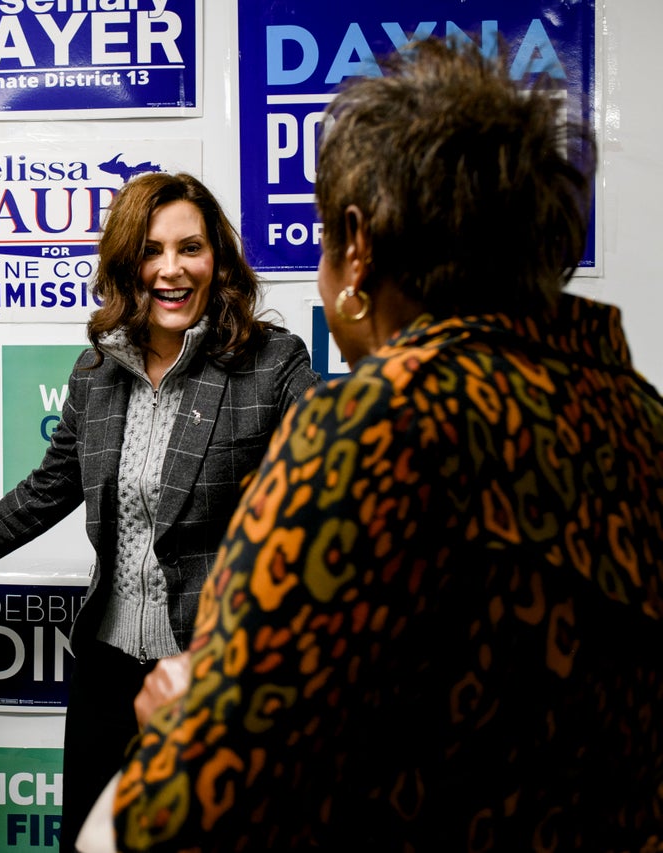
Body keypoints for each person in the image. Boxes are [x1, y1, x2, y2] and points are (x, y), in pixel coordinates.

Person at [104, 38, 663, 850]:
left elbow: (187, 808)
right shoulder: (637, 414)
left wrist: (179, 719)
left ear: (358, 244)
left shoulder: (377, 423)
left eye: (327, 234)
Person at [0, 171, 318, 851]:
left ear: (219, 258)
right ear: (127, 264)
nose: (172, 268)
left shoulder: (270, 364)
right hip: (106, 669)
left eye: (191, 247)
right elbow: (41, 495)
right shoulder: (96, 373)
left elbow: (320, 508)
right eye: (152, 250)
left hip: (213, 670)